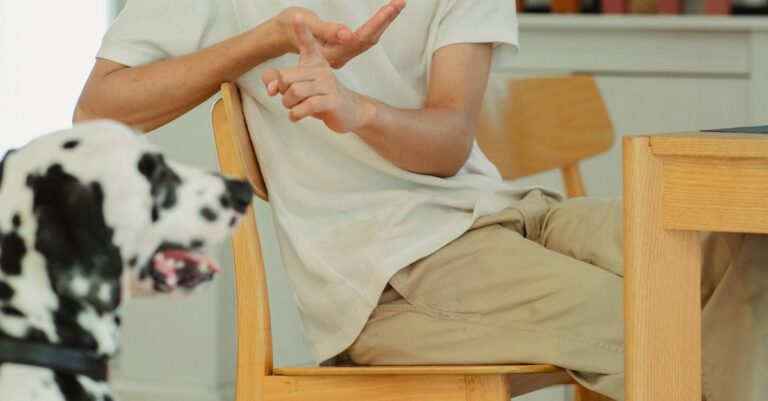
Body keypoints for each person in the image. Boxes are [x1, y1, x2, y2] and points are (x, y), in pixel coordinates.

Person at [75, 2, 767, 400]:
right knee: (666, 324)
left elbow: (446, 139)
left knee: (743, 238)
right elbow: (100, 106)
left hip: (507, 214)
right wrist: (265, 39)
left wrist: (359, 110)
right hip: (394, 276)